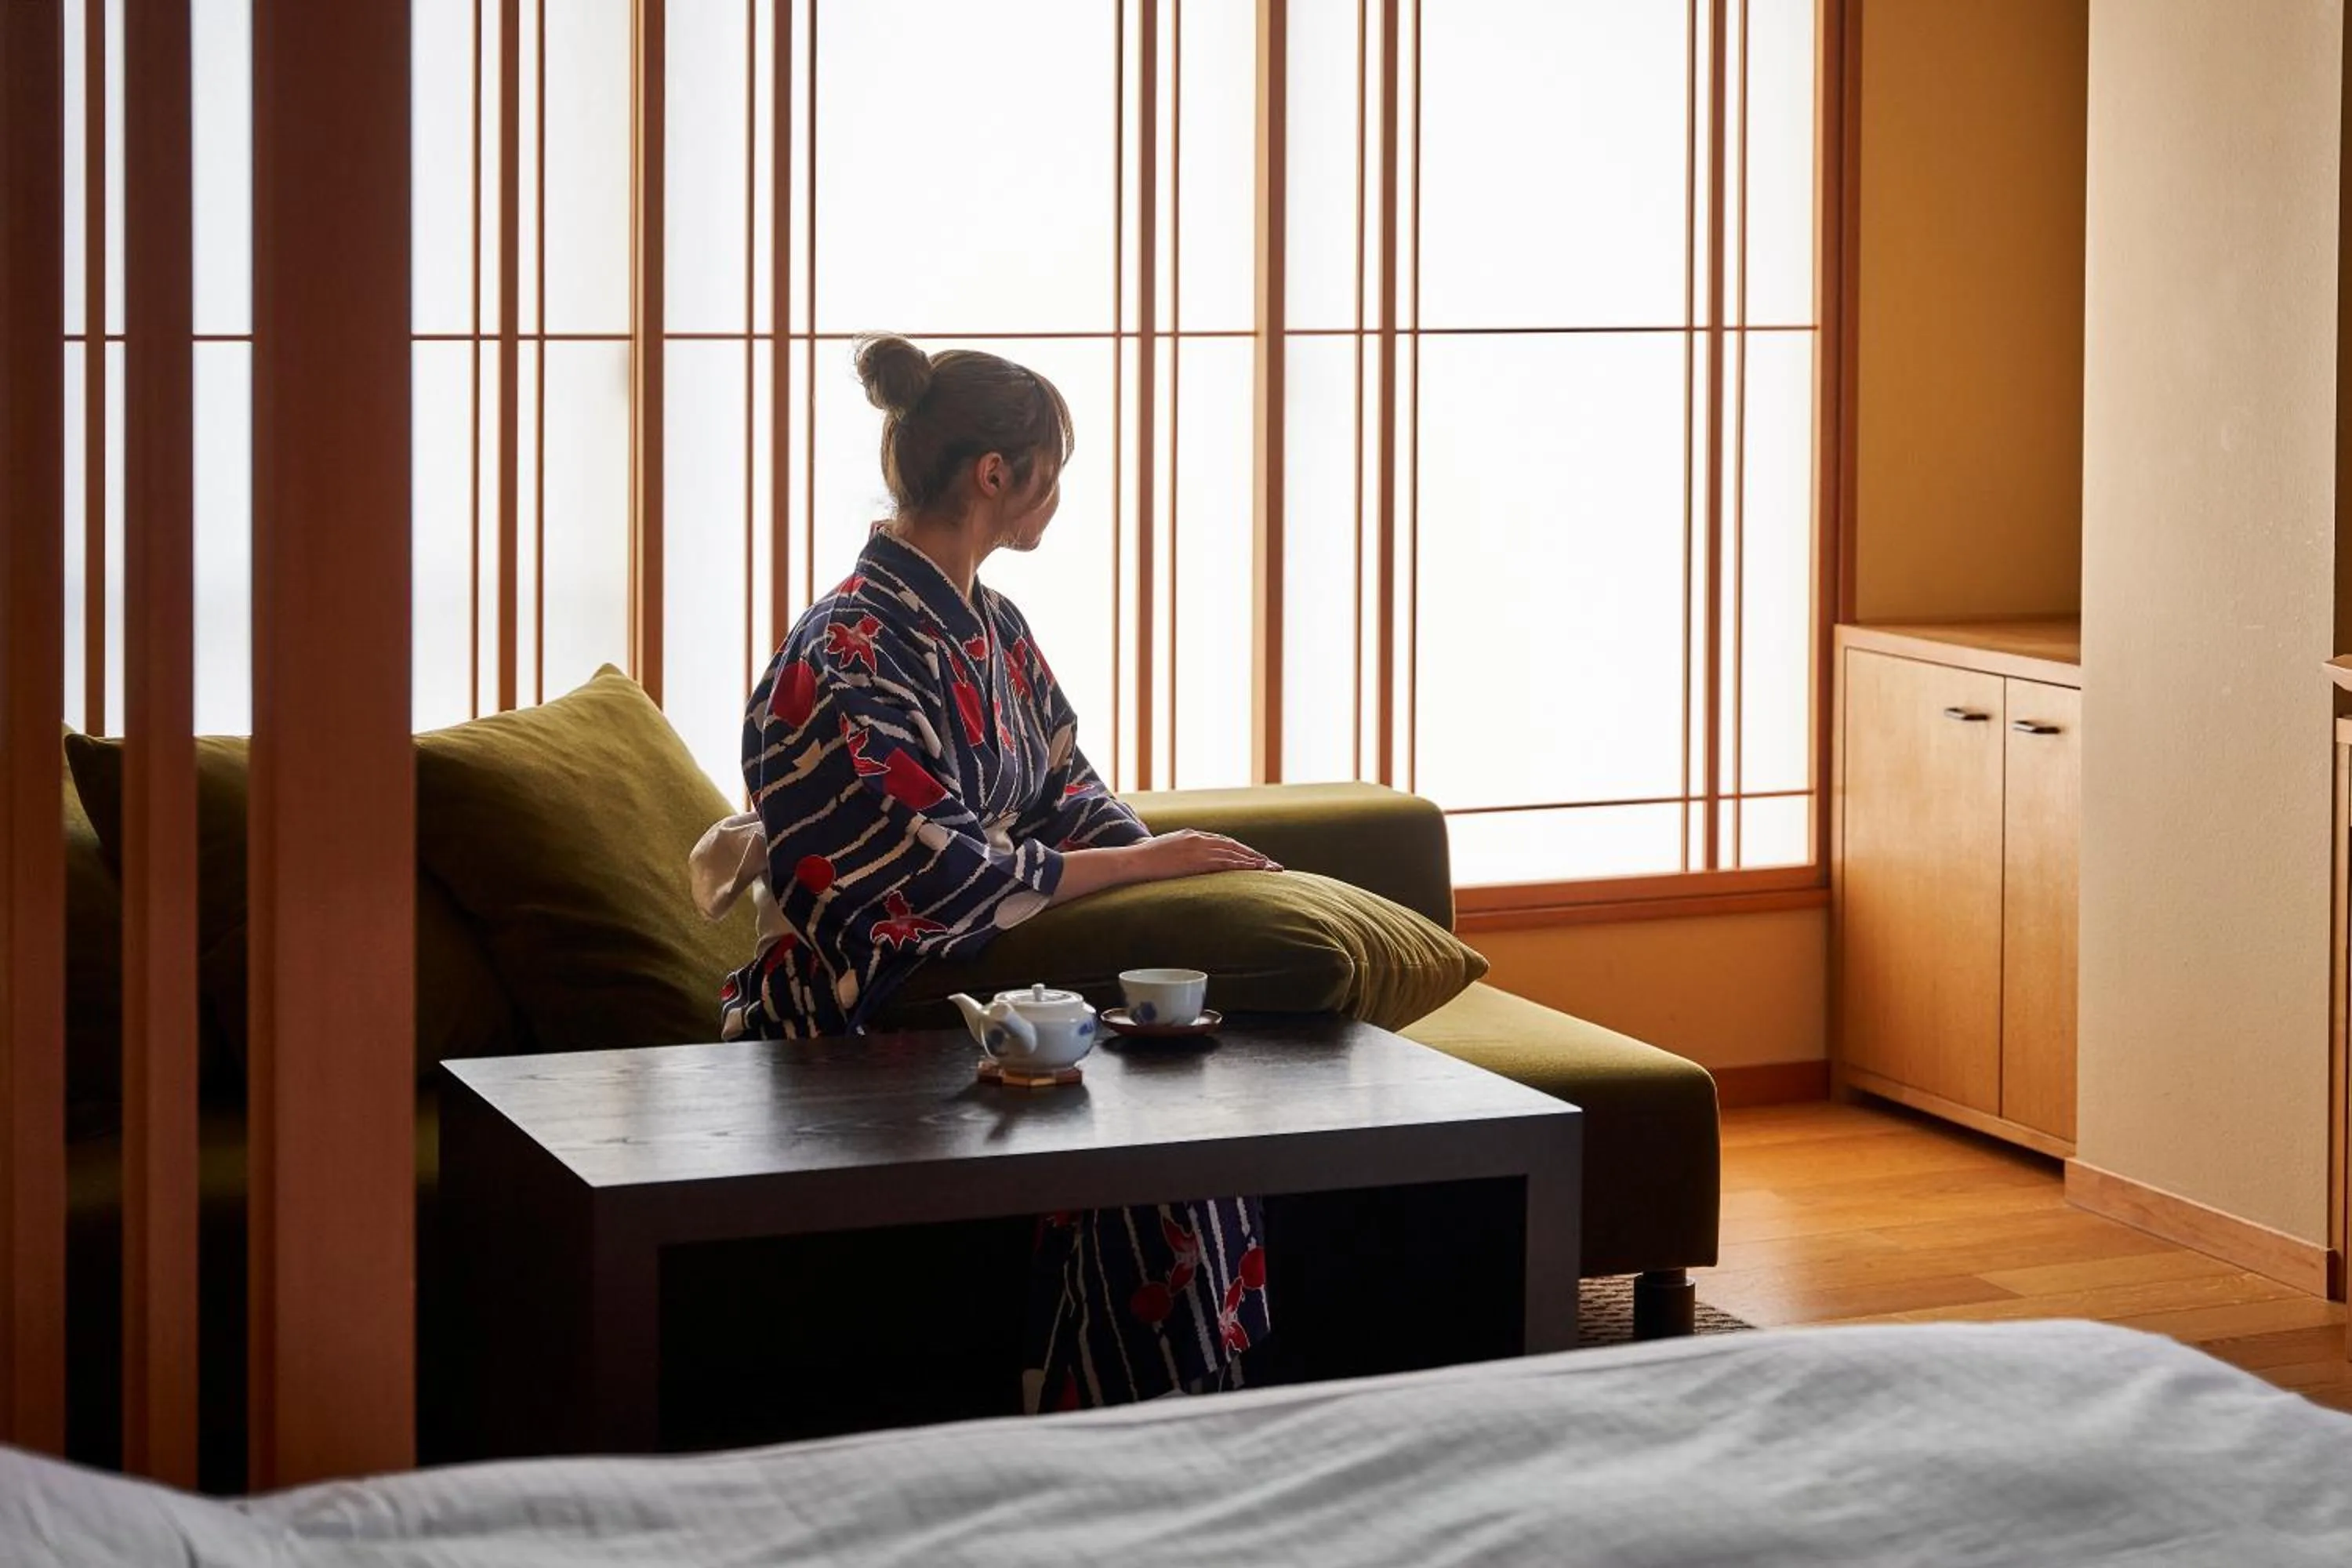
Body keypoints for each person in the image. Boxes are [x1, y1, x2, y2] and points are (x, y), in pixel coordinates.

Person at [690, 335, 1276, 1410]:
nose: (1061, 489)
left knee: (1184, 1107)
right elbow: (942, 875)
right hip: (865, 1003)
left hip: (998, 973)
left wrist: (1170, 881)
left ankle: (1172, 1415)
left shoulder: (995, 629)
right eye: (1053, 464)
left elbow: (1070, 790)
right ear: (995, 476)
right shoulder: (847, 648)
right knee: (1135, 1131)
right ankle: (1119, 1421)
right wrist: (1140, 866)